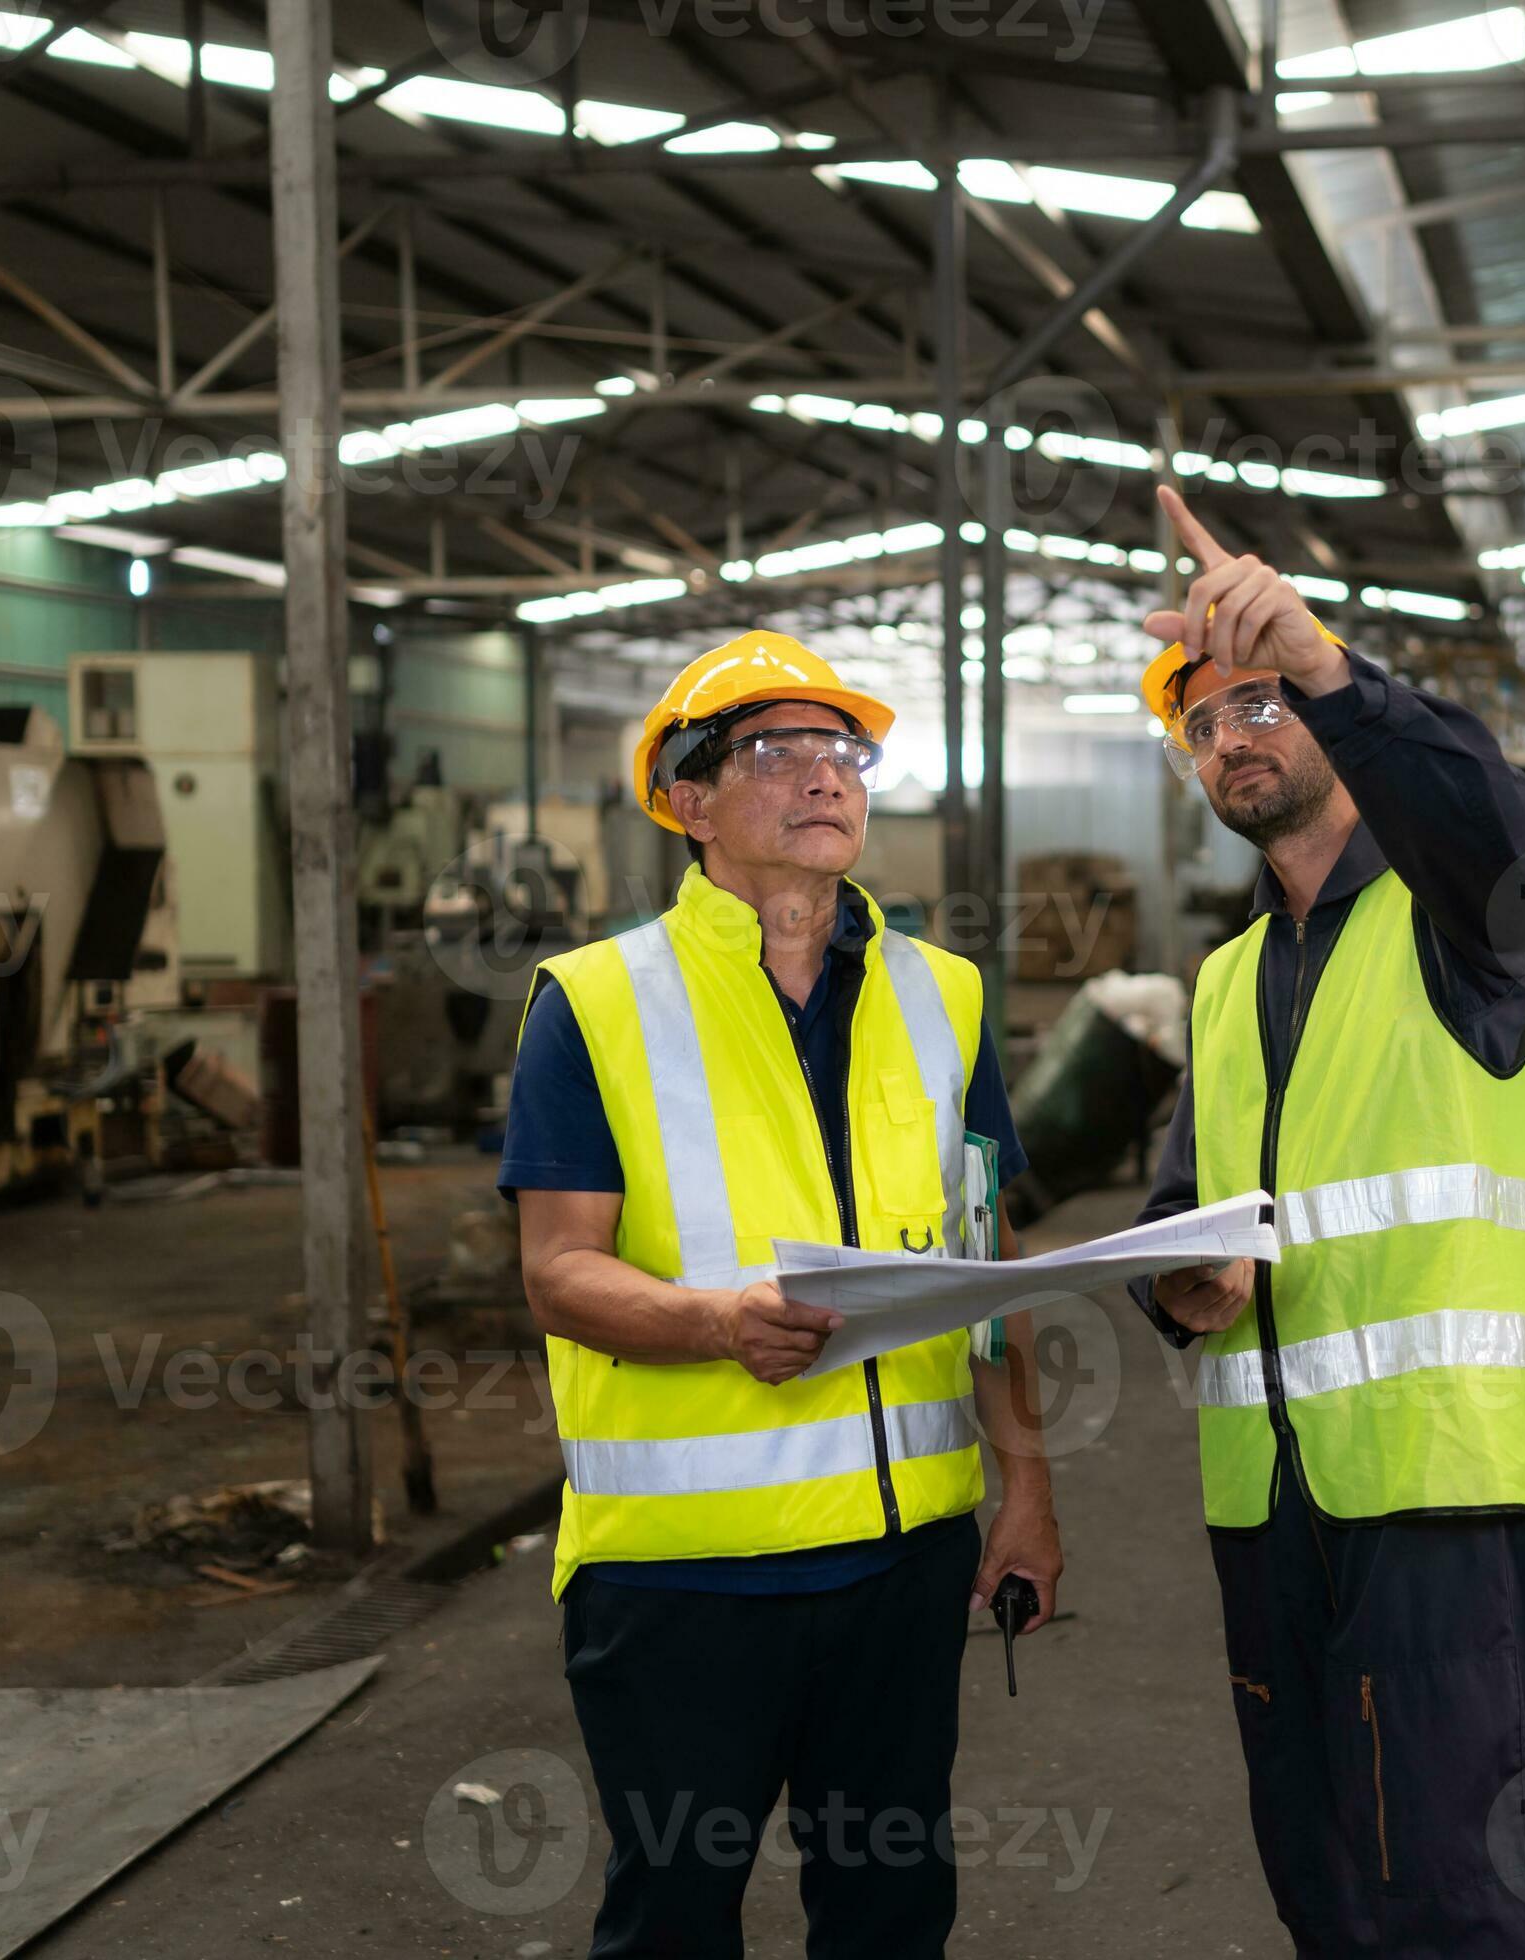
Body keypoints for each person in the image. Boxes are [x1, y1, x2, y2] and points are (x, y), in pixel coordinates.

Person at [501, 630, 1063, 1958]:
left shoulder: (950, 996)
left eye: (843, 751)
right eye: (776, 751)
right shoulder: (593, 1001)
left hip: (904, 1563)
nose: (825, 777)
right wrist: (712, 1322)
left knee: (890, 1911)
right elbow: (557, 1272)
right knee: (675, 1922)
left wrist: (1027, 1488)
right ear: (688, 802)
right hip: (685, 1583)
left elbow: (988, 1268)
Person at [1127, 487, 1525, 1956]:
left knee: (1455, 1888)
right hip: (1264, 1502)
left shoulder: (1462, 926)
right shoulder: (1223, 976)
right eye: (1204, 721)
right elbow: (1179, 1206)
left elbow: (1492, 817)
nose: (1232, 735)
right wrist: (1177, 1282)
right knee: (1319, 1878)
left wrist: (1327, 663)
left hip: (1425, 1492)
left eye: (1259, 703)